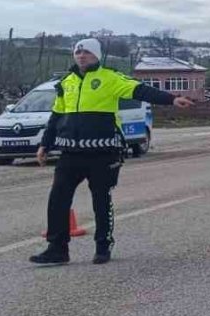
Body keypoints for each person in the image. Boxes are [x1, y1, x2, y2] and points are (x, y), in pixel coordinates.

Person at [29, 39, 194, 266]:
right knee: (57, 198)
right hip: (70, 153)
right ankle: (57, 248)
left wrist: (171, 99)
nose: (81, 55)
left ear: (96, 55)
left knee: (101, 200)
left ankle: (103, 246)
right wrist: (45, 145)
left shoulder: (110, 77)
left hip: (102, 151)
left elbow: (140, 90)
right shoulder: (66, 82)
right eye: (78, 52)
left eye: (86, 52)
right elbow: (56, 116)